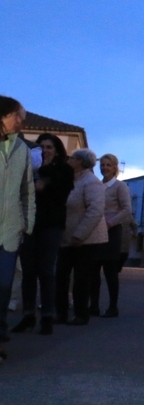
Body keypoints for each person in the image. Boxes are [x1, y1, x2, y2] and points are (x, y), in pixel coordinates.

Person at [14, 134, 70, 336]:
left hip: (51, 225)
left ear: (57, 151)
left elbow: (60, 194)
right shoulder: (29, 169)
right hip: (29, 224)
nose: (45, 150)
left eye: (49, 147)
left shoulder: (64, 170)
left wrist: (44, 172)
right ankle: (28, 315)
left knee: (46, 271)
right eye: (42, 147)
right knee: (28, 271)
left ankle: (47, 316)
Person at [56, 149, 108, 325]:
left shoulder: (91, 182)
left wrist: (80, 235)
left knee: (81, 278)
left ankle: (81, 314)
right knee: (61, 276)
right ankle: (61, 312)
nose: (69, 160)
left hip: (86, 240)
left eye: (72, 158)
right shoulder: (71, 180)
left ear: (80, 162)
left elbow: (95, 210)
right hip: (66, 238)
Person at [0, 97, 36, 345]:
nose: (21, 122)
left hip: (10, 230)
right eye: (17, 116)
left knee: (4, 286)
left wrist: (27, 224)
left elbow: (27, 190)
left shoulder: (22, 148)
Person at [90, 154, 134, 318]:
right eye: (102, 165)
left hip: (112, 232)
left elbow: (126, 209)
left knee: (110, 272)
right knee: (93, 271)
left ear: (115, 167)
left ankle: (112, 307)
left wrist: (110, 223)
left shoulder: (120, 187)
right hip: (95, 232)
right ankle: (93, 306)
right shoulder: (97, 185)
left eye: (108, 165)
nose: (105, 168)